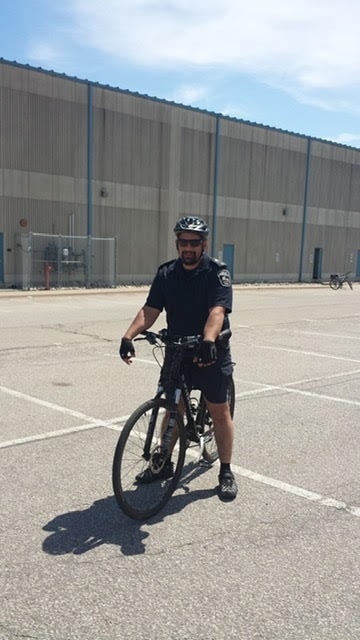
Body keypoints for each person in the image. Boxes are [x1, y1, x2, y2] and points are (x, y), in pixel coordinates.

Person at [119, 215, 237, 500]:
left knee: (219, 412)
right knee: (173, 407)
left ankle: (225, 470)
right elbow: (151, 309)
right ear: (177, 243)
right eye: (183, 242)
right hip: (177, 349)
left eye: (194, 243)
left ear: (203, 244)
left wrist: (208, 340)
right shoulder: (166, 273)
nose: (188, 248)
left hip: (209, 349)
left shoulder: (216, 272)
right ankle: (164, 464)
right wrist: (128, 336)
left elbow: (217, 311)